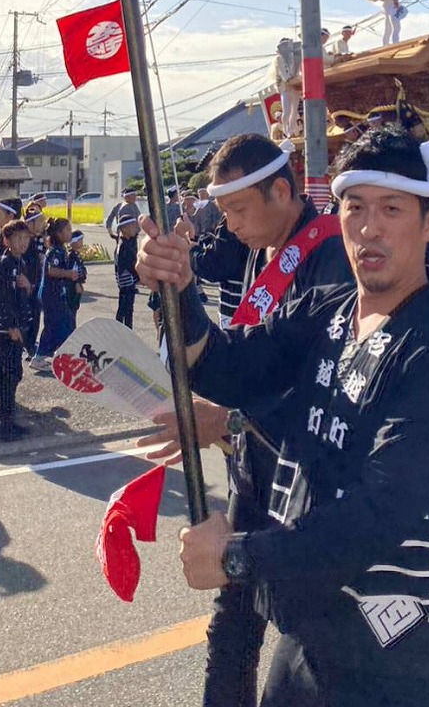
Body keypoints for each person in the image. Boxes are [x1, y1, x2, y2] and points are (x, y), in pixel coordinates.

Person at [140, 127, 429, 707]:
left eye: (391, 209)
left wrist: (238, 553)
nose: (369, 228)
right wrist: (177, 289)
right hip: (311, 623)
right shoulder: (331, 310)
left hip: (393, 647)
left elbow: (381, 513)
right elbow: (231, 369)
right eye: (355, 208)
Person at [138, 131, 355, 707]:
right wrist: (169, 276)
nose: (227, 223)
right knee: (232, 617)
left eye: (236, 208)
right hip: (256, 464)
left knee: (305, 630)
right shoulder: (256, 242)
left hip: (308, 476)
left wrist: (231, 420)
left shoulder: (334, 258)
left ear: (282, 192)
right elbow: (225, 347)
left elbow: (321, 382)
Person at [0, 219, 33, 442]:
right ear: (6, 241)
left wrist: (27, 286)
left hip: (15, 325)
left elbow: (21, 295)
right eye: (18, 238)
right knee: (8, 373)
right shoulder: (4, 264)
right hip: (4, 328)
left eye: (26, 238)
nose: (23, 242)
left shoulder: (19, 263)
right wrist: (10, 326)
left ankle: (6, 414)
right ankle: (6, 426)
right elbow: (0, 298)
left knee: (11, 373)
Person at [37, 217, 78, 359]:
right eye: (68, 230)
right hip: (51, 295)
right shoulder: (55, 251)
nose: (70, 233)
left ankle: (61, 355)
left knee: (64, 323)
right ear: (59, 233)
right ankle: (40, 356)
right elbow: (51, 270)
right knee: (53, 325)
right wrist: (68, 274)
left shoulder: (61, 250)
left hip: (57, 294)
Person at [21, 202, 48, 359]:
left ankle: (30, 346)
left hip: (37, 283)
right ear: (29, 223)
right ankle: (26, 345)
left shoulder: (39, 239)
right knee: (27, 315)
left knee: (36, 315)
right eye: (40, 222)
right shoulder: (24, 240)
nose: (42, 225)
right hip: (25, 283)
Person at [114, 214, 140, 328]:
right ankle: (123, 331)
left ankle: (124, 330)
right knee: (125, 310)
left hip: (129, 282)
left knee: (126, 309)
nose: (136, 228)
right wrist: (139, 278)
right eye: (132, 226)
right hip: (126, 283)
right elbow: (130, 265)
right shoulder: (123, 246)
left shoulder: (128, 242)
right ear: (124, 229)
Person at [273, 38, 302, 138]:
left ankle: (291, 131)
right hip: (285, 87)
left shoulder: (292, 57)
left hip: (294, 86)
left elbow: (296, 70)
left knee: (294, 110)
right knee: (287, 111)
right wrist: (290, 80)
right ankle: (286, 129)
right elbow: (284, 74)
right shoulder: (279, 58)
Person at [67, 229, 87, 316]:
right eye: (80, 240)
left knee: (75, 308)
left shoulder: (77, 255)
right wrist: (77, 283)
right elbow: (73, 272)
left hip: (78, 285)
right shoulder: (72, 256)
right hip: (73, 287)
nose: (82, 242)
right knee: (72, 308)